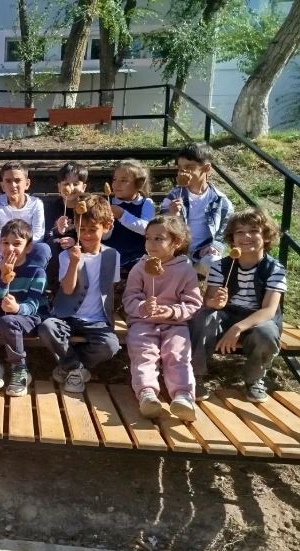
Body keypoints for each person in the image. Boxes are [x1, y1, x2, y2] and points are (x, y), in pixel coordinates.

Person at [189, 208, 286, 403]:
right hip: (226, 315)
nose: (246, 236)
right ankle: (195, 375)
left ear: (266, 236)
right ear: (232, 239)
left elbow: (268, 310)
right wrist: (215, 302)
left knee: (267, 333)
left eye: (254, 231)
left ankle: (254, 379)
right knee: (203, 318)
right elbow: (208, 300)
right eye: (239, 232)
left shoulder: (275, 269)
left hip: (257, 320)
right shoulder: (220, 266)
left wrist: (237, 328)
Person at [38, 194, 121, 393]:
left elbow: (110, 290)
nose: (87, 235)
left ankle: (69, 366)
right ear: (75, 227)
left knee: (110, 345)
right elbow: (67, 290)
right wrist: (75, 263)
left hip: (97, 319)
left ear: (106, 227)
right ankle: (76, 369)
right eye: (82, 229)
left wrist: (111, 318)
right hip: (67, 316)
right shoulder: (67, 255)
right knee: (47, 328)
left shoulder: (112, 255)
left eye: (93, 230)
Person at [123, 216, 202, 421]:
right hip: (143, 322)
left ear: (176, 242)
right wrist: (142, 306)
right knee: (143, 352)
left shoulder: (185, 270)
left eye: (158, 238)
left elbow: (193, 304)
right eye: (148, 238)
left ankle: (183, 396)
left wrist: (171, 312)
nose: (151, 243)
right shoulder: (140, 267)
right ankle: (147, 394)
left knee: (177, 353)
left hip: (175, 324)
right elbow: (129, 298)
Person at [0, 219, 50, 396]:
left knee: (8, 320)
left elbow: (34, 304)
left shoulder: (37, 272)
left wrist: (17, 308)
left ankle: (19, 368)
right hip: (3, 315)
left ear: (28, 247)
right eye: (5, 243)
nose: (10, 248)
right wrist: (4, 279)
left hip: (29, 317)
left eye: (17, 244)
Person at [161, 142, 233, 276]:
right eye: (180, 168)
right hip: (178, 252)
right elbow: (161, 228)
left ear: (206, 168)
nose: (183, 172)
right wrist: (172, 215)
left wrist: (215, 246)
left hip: (204, 252)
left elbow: (225, 229)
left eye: (189, 167)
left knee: (215, 264)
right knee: (178, 264)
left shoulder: (221, 201)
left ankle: (213, 290)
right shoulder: (173, 197)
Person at [102, 159, 155, 272]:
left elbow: (147, 229)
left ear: (139, 184)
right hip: (111, 254)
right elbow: (103, 237)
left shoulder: (146, 203)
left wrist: (122, 215)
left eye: (123, 180)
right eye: (114, 179)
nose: (116, 184)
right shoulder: (107, 204)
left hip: (137, 255)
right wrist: (108, 227)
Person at [0, 161, 46, 258]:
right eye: (8, 181)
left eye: (17, 180)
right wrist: (10, 244)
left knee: (43, 248)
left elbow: (38, 235)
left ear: (27, 184)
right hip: (4, 248)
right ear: (3, 186)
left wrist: (19, 245)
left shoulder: (36, 204)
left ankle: (31, 268)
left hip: (26, 249)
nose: (13, 185)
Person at [45, 161, 88, 293]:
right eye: (66, 184)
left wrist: (75, 240)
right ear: (59, 187)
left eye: (76, 184)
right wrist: (58, 231)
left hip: (82, 243)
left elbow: (93, 231)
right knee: (51, 245)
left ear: (83, 187)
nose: (70, 187)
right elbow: (47, 232)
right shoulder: (53, 207)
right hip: (59, 245)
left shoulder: (87, 206)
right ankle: (54, 287)